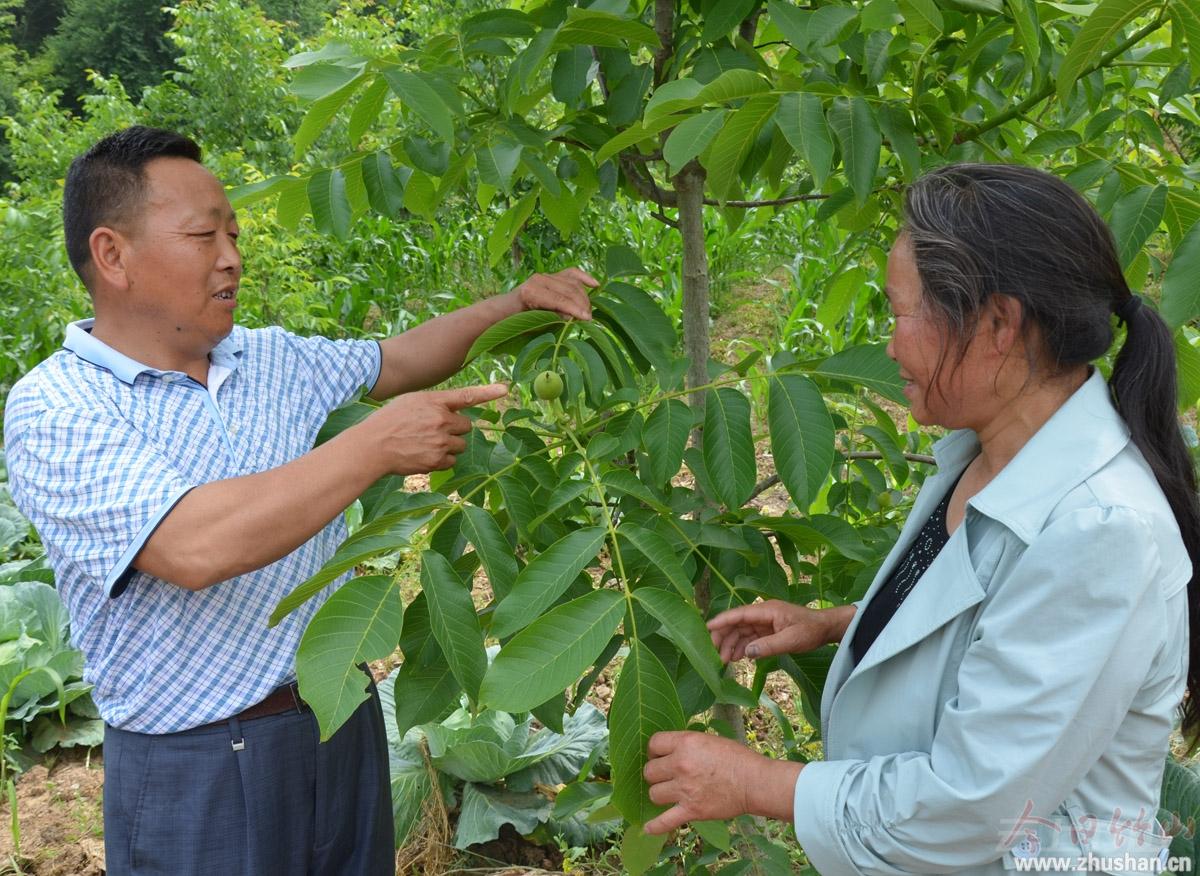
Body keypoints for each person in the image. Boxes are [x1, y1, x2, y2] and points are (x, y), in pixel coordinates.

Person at [1, 125, 597, 876]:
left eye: (234, 234)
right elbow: (192, 547)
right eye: (202, 236)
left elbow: (399, 359)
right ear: (112, 254)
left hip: (339, 722)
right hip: (197, 762)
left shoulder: (270, 358)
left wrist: (514, 304)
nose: (231, 257)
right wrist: (375, 446)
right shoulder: (56, 407)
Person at [642, 163, 1199, 874]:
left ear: (999, 323)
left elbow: (973, 808)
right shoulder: (990, 452)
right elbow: (995, 619)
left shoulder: (1101, 530)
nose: (890, 345)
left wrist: (753, 783)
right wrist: (840, 622)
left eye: (900, 313)